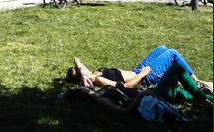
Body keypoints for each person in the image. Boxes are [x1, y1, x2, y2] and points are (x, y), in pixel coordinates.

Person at [64, 61, 212, 119]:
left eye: (84, 87)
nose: (86, 88)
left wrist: (84, 76)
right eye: (84, 90)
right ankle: (203, 99)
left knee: (181, 94)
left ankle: (204, 96)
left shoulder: (101, 89)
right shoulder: (100, 98)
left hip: (150, 92)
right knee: (176, 68)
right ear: (84, 96)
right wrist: (141, 96)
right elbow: (124, 113)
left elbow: (78, 63)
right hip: (149, 98)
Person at [67, 45, 204, 89]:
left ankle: (189, 80)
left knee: (162, 47)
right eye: (82, 69)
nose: (83, 66)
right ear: (81, 75)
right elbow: (124, 87)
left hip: (137, 69)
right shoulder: (99, 80)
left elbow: (76, 59)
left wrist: (83, 73)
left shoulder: (94, 72)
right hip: (145, 77)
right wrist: (142, 75)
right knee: (172, 54)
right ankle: (196, 83)